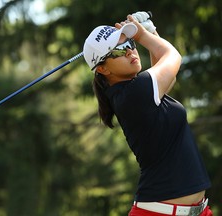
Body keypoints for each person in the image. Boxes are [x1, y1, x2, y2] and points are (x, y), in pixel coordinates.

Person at [83, 11, 212, 215]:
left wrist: (151, 31)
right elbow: (172, 56)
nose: (130, 52)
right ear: (102, 69)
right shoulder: (134, 93)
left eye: (130, 44)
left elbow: (166, 74)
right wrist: (142, 36)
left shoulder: (132, 92)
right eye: (119, 50)